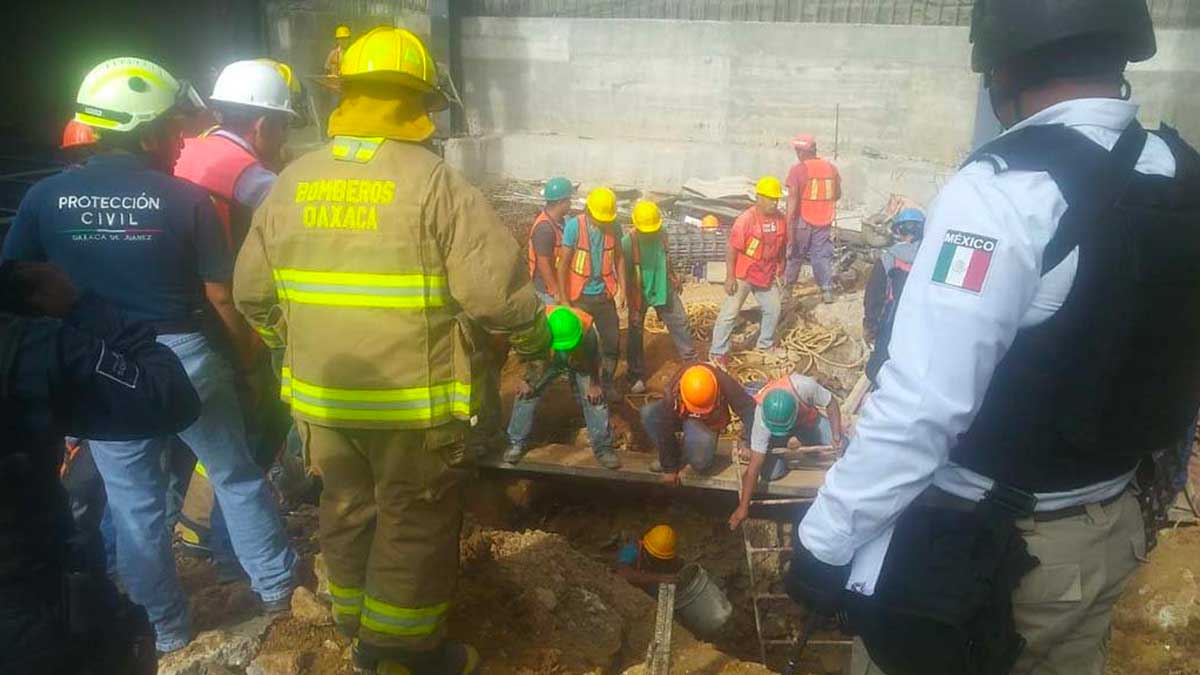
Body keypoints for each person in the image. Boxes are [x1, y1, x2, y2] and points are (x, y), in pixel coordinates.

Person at [786, 2, 1200, 674]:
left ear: (1003, 69)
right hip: (1105, 534)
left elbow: (922, 405)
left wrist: (823, 545)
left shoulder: (1002, 194)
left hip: (991, 559)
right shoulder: (1178, 173)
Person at [233, 27, 551, 675]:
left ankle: (353, 618)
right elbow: (494, 296)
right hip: (413, 405)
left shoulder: (292, 181)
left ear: (344, 95)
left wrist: (288, 345)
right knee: (414, 518)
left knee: (346, 506)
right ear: (421, 103)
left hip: (323, 401)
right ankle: (398, 652)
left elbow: (252, 295)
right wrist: (535, 338)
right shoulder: (435, 184)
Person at [2, 57, 297, 654]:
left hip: (99, 363)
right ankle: (277, 587)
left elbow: (18, 284)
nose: (181, 139)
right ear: (146, 135)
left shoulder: (43, 198)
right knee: (235, 474)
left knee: (134, 506)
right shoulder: (184, 199)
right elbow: (220, 296)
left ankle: (164, 628)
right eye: (172, 129)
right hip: (185, 357)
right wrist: (246, 362)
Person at [0, 260, 202, 675]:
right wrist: (82, 309)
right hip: (33, 609)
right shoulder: (32, 346)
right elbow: (168, 397)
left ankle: (167, 626)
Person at [175, 59, 295, 251]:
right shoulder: (250, 176)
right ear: (263, 126)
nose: (285, 137)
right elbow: (297, 218)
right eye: (284, 125)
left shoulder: (183, 148)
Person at [505, 306, 619, 470]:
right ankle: (516, 442)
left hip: (579, 356)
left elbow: (593, 357)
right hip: (546, 357)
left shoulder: (586, 327)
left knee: (595, 399)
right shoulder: (537, 325)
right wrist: (527, 379)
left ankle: (603, 448)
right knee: (526, 393)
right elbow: (528, 352)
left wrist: (594, 384)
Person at [728, 373, 843, 530]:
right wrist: (743, 507)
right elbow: (755, 465)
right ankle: (784, 444)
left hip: (808, 421)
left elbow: (831, 402)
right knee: (771, 474)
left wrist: (836, 436)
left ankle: (802, 440)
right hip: (778, 435)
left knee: (845, 446)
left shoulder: (804, 386)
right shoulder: (762, 415)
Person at [708, 176, 788, 367]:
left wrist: (781, 265)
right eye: (770, 198)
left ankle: (765, 345)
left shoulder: (780, 219)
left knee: (773, 308)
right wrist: (730, 276)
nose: (774, 202)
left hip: (765, 273)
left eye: (776, 198)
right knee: (730, 313)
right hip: (744, 273)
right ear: (759, 198)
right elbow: (732, 248)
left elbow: (783, 245)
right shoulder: (746, 220)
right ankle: (718, 352)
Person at [557, 186, 626, 400]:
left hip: (604, 293)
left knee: (611, 342)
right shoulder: (574, 227)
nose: (603, 223)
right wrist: (564, 300)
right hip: (579, 296)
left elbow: (619, 258)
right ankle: (578, 388)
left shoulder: (614, 227)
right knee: (578, 346)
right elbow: (563, 265)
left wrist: (622, 289)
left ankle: (606, 384)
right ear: (588, 211)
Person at [623, 200, 697, 394]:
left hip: (663, 286)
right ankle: (635, 375)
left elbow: (665, 256)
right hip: (639, 292)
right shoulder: (628, 242)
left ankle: (691, 363)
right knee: (635, 331)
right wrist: (628, 297)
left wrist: (672, 276)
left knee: (680, 322)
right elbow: (625, 272)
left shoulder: (662, 233)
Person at [641, 363, 755, 485]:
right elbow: (664, 426)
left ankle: (689, 452)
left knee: (700, 463)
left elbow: (748, 409)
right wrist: (670, 468)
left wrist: (749, 444)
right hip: (682, 414)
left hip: (707, 422)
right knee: (649, 413)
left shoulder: (723, 381)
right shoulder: (673, 389)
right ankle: (675, 454)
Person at [862, 207, 924, 384]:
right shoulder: (929, 258)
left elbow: (874, 296)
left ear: (898, 230)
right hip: (919, 323)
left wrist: (870, 325)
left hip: (892, 319)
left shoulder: (889, 258)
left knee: (879, 366)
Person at [783, 134, 842, 303]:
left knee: (796, 254)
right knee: (821, 255)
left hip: (803, 218)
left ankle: (787, 290)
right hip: (825, 218)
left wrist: (789, 227)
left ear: (801, 151)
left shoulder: (798, 170)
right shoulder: (831, 168)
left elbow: (792, 201)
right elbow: (837, 194)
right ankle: (827, 290)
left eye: (797, 150)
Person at [528, 176, 574, 305]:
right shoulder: (544, 229)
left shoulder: (561, 221)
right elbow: (543, 263)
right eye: (568, 200)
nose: (570, 203)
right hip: (546, 291)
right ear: (560, 202)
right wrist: (555, 291)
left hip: (559, 284)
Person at [616, 524, 684, 591]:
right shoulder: (631, 550)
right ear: (646, 550)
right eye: (657, 558)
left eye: (663, 559)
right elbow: (623, 573)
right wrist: (659, 578)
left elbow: (678, 565)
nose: (660, 561)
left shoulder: (667, 555)